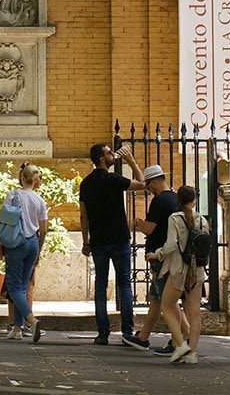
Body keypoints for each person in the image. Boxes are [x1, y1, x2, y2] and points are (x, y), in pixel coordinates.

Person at [79, 142, 145, 347]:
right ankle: (127, 332)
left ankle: (103, 333)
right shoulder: (114, 179)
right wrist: (131, 161)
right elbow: (142, 183)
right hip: (118, 238)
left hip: (98, 240)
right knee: (124, 284)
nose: (112, 155)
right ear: (101, 159)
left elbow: (83, 216)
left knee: (100, 285)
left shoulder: (86, 183)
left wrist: (85, 241)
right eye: (109, 153)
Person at [147, 185, 209, 364]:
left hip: (179, 270)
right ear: (194, 200)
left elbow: (171, 245)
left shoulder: (175, 218)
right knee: (194, 313)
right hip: (197, 271)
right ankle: (193, 352)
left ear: (178, 200)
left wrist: (156, 254)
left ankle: (181, 345)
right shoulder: (201, 220)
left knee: (167, 306)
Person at [0, 163, 48, 341]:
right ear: (35, 180)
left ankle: (31, 320)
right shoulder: (39, 200)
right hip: (33, 243)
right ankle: (17, 329)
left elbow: (4, 221)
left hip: (16, 243)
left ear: (22, 178)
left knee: (14, 286)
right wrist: (38, 250)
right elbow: (44, 228)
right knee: (22, 287)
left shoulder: (13, 195)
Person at [132, 165, 178, 354]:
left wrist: (138, 224)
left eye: (148, 187)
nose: (149, 191)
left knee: (168, 301)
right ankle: (143, 337)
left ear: (154, 182)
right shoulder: (174, 198)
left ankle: (182, 339)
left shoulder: (160, 201)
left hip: (160, 256)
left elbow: (150, 229)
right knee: (157, 299)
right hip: (166, 256)